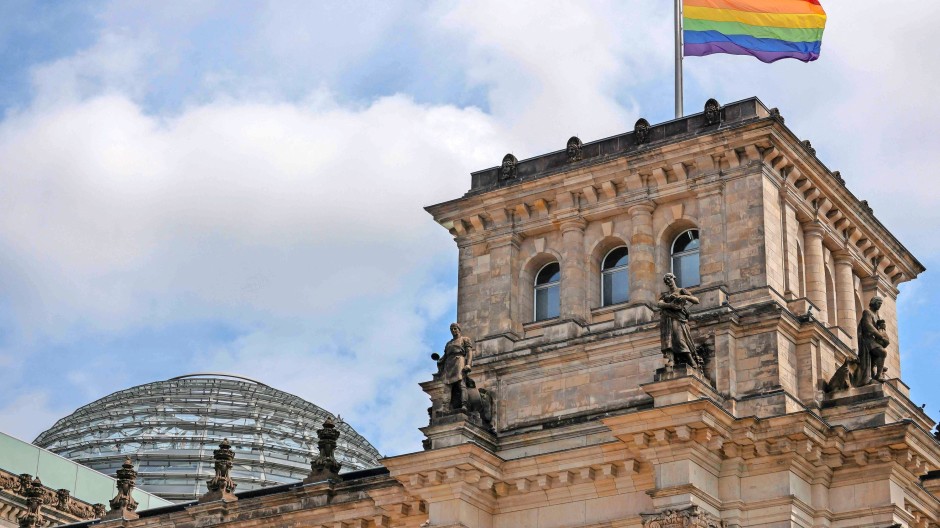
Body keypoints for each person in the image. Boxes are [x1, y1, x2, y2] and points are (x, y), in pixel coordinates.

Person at [658, 273, 700, 368]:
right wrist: (670, 305)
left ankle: (692, 361)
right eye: (666, 281)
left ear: (674, 278)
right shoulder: (666, 295)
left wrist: (684, 297)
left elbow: (696, 300)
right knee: (668, 341)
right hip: (666, 319)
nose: (668, 281)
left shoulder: (681, 290)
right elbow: (659, 304)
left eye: (669, 279)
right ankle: (671, 361)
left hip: (678, 319)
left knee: (679, 339)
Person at [438, 323, 474, 411]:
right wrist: (440, 361)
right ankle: (445, 407)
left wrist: (468, 364)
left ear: (459, 329)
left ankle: (464, 405)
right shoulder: (448, 343)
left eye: (455, 328)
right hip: (449, 364)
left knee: (461, 384)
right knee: (447, 386)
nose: (453, 331)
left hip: (459, 361)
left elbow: (469, 352)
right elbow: (445, 356)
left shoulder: (464, 339)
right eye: (452, 329)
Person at [856, 296, 889, 385]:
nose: (879, 306)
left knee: (876, 358)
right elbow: (868, 325)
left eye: (881, 304)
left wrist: (881, 327)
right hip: (867, 340)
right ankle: (878, 375)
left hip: (873, 340)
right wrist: (880, 336)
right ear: (873, 302)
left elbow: (876, 327)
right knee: (882, 352)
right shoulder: (867, 312)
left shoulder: (877, 315)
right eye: (878, 303)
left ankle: (875, 374)